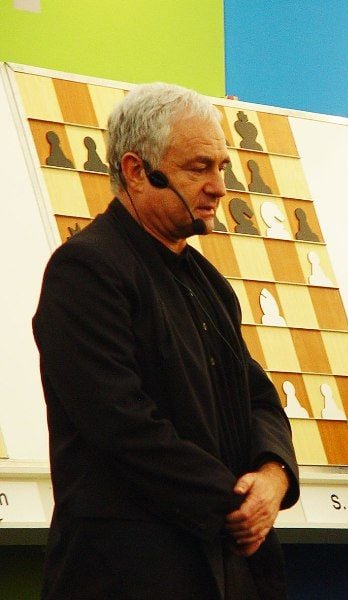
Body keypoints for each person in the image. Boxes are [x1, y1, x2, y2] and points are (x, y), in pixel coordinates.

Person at [33, 83, 299, 600]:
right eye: (199, 168)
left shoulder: (209, 283)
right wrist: (234, 501)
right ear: (136, 171)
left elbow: (260, 400)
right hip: (130, 573)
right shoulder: (85, 270)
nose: (219, 187)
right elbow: (121, 425)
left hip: (226, 565)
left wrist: (273, 477)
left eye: (221, 167)